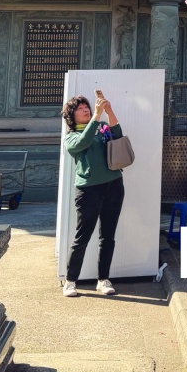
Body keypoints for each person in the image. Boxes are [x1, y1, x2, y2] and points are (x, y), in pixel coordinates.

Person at [62, 90, 124, 297]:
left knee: (108, 236)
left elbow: (118, 135)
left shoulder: (102, 128)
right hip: (88, 190)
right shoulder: (72, 137)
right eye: (80, 109)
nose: (85, 109)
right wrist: (96, 117)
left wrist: (108, 110)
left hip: (114, 185)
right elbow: (83, 143)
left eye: (86, 107)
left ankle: (103, 279)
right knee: (82, 237)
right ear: (72, 117)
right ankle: (70, 281)